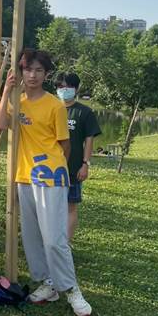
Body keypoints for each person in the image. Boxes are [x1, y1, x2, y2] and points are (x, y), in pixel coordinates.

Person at [0, 49, 92, 316]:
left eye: (38, 70)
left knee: (54, 238)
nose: (32, 75)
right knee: (32, 236)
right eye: (28, 70)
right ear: (21, 72)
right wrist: (6, 91)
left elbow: (65, 145)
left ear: (46, 74)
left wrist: (54, 170)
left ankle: (71, 289)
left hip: (51, 176)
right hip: (24, 175)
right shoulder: (18, 102)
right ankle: (48, 283)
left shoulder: (55, 105)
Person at [55, 72, 101, 241]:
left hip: (73, 167)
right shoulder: (52, 108)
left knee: (70, 207)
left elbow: (89, 140)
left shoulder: (84, 112)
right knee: (51, 207)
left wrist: (85, 164)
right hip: (50, 167)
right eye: (61, 86)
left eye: (68, 86)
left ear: (76, 88)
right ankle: (51, 241)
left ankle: (65, 244)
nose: (64, 90)